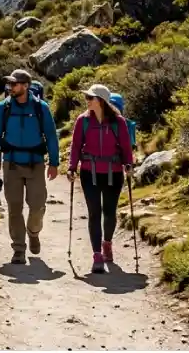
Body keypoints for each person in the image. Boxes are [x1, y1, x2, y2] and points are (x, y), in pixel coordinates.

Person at [0, 68, 59, 264]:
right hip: (11, 164)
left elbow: (51, 136)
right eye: (9, 84)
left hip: (35, 163)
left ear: (25, 86)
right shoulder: (4, 107)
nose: (10, 87)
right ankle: (18, 248)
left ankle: (33, 232)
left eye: (14, 84)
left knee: (37, 205)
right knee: (14, 208)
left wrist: (54, 162)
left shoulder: (40, 108)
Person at [68, 84, 135, 274]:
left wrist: (128, 164)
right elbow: (75, 146)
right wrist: (72, 167)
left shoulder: (118, 122)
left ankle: (107, 243)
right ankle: (97, 255)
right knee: (94, 213)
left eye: (91, 97)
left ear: (101, 101)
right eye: (87, 97)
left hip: (113, 173)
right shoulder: (83, 121)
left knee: (110, 212)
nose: (87, 100)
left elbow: (125, 147)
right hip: (89, 173)